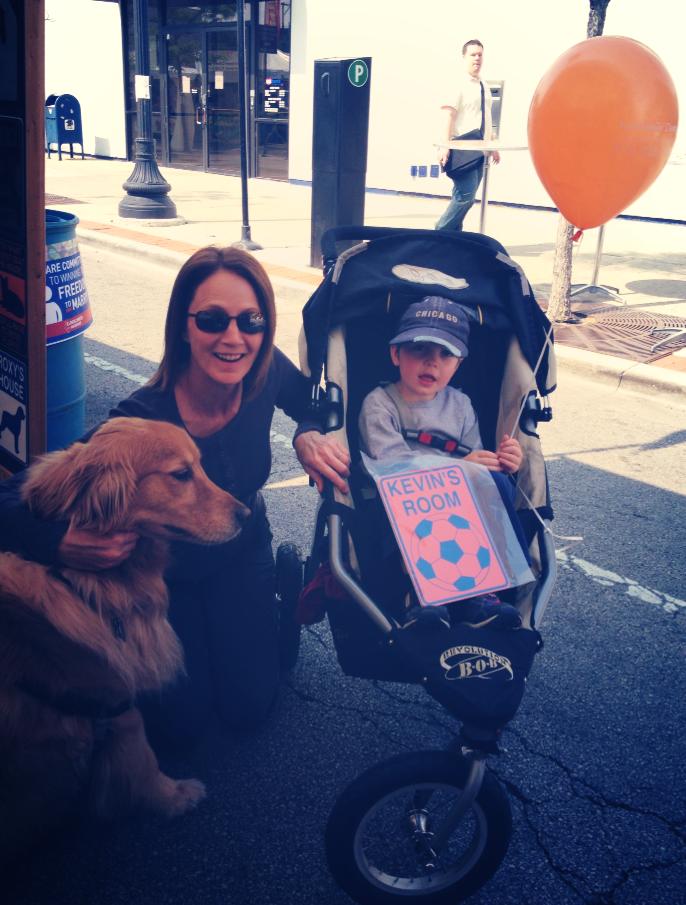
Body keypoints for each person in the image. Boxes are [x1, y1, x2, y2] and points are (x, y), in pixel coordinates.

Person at [0, 246, 350, 748]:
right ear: (183, 328)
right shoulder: (141, 420)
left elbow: (311, 404)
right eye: (212, 320)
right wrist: (56, 541)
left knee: (249, 708)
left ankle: (266, 603)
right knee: (180, 732)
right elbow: (13, 499)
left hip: (243, 549)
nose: (234, 338)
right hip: (167, 577)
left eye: (251, 321)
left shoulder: (266, 368)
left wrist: (307, 433)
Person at [358, 295, 524, 628]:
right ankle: (418, 595)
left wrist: (504, 461)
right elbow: (393, 466)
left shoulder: (460, 405)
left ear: (458, 364)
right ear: (396, 354)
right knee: (417, 507)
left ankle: (483, 592)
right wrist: (463, 468)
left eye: (445, 354)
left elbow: (477, 461)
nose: (431, 363)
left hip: (458, 505)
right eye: (419, 349)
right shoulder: (380, 404)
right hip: (403, 501)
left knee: (496, 483)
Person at [435, 39, 500, 232]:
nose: (477, 58)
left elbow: (486, 117)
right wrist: (445, 146)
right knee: (466, 196)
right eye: (473, 54)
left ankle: (454, 239)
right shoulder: (458, 84)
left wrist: (493, 145)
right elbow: (448, 115)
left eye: (480, 54)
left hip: (479, 150)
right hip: (462, 149)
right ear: (464, 57)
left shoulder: (483, 85)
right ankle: (438, 233)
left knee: (464, 196)